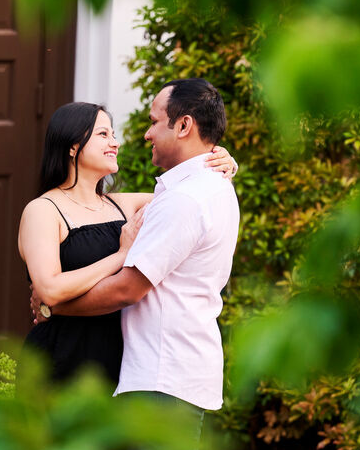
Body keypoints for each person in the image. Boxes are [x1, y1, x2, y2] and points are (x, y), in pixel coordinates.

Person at [31, 79, 239, 450]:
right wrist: (218, 159)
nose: (134, 135)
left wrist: (56, 305)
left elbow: (128, 287)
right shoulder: (179, 192)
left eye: (151, 121)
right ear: (74, 147)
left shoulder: (174, 199)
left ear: (184, 125)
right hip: (104, 369)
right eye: (105, 132)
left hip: (161, 374)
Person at [18, 101, 236, 384]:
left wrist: (223, 162)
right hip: (59, 361)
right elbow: (49, 289)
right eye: (103, 135)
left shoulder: (125, 205)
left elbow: (192, 196)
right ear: (72, 146)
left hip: (118, 363)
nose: (115, 143)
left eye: (113, 134)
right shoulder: (43, 210)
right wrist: (121, 255)